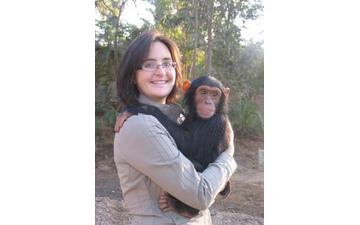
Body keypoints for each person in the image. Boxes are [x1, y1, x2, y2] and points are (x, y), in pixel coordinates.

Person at [113, 30, 237, 225]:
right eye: (149, 64)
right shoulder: (140, 123)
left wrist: (219, 179)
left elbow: (200, 157)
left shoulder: (177, 114)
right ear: (132, 75)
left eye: (167, 63)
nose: (161, 71)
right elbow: (202, 194)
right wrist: (228, 156)